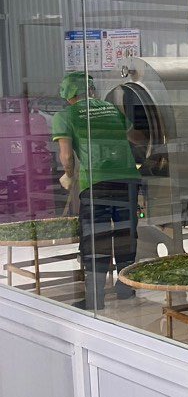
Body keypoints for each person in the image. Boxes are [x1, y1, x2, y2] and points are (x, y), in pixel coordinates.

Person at [51, 72, 143, 311]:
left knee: (96, 239)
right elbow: (137, 138)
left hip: (96, 183)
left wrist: (69, 176)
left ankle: (95, 298)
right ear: (91, 90)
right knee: (125, 234)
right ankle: (126, 288)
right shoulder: (111, 109)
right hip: (127, 180)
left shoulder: (65, 116)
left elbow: (66, 156)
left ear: (68, 95)